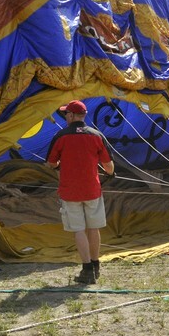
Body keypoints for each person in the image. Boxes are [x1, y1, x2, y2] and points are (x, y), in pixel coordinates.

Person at [46, 100, 114, 284]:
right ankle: (96, 264)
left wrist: (60, 165)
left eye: (66, 114)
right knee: (93, 228)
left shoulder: (61, 136)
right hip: (92, 189)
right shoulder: (96, 135)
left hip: (70, 192)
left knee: (78, 230)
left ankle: (87, 269)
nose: (65, 117)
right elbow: (109, 167)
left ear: (71, 115)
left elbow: (51, 163)